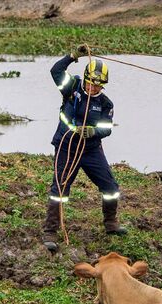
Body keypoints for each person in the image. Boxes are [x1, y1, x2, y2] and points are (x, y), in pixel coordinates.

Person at [42, 45, 127, 252]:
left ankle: (110, 222)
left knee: (110, 188)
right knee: (60, 189)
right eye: (90, 83)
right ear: (86, 79)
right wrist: (72, 56)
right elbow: (55, 71)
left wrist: (93, 131)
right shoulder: (71, 87)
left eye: (98, 86)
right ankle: (50, 231)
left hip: (91, 150)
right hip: (66, 146)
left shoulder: (106, 104)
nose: (93, 88)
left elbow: (107, 128)